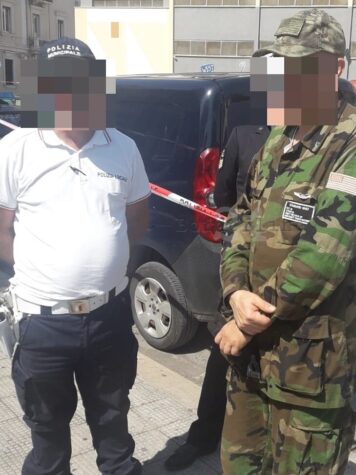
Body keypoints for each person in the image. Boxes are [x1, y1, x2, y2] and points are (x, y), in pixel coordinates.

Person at [215, 9, 356, 474]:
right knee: (238, 464)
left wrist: (246, 324)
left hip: (309, 368)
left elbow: (324, 256)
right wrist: (235, 292)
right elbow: (241, 216)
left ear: (336, 68)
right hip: (253, 356)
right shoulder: (279, 136)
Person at [0, 37, 150, 475]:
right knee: (47, 436)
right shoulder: (15, 149)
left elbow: (136, 220)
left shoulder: (123, 147)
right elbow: (1, 228)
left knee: (113, 424)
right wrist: (44, 274)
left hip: (109, 318)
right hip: (42, 323)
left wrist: (105, 267)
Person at [164, 124, 270, 471]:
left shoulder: (321, 139)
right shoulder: (246, 135)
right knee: (221, 358)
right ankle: (203, 437)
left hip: (287, 281)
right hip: (241, 270)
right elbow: (225, 196)